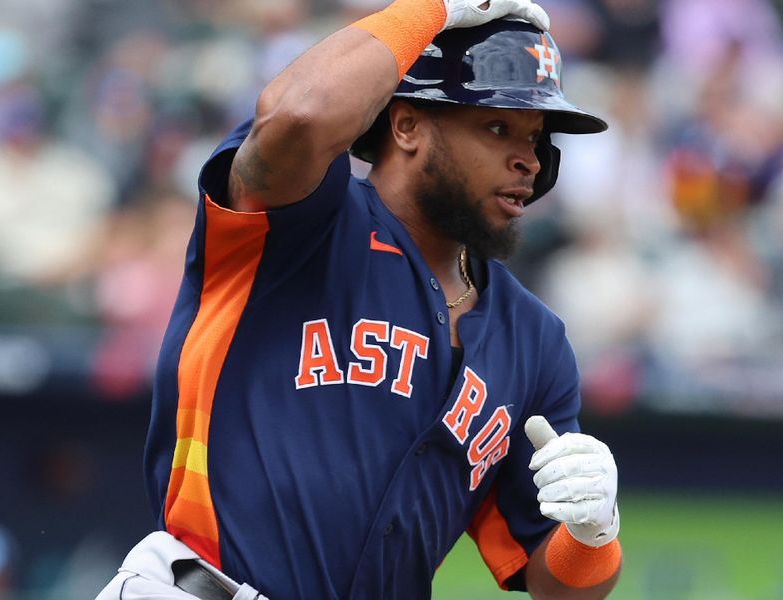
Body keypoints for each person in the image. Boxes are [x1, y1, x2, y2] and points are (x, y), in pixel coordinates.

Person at [97, 0, 622, 598]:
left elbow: (559, 586)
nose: (528, 159)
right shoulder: (299, 224)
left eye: (535, 137)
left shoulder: (534, 339)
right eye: (498, 127)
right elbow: (298, 114)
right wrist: (436, 8)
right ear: (406, 126)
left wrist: (593, 532)